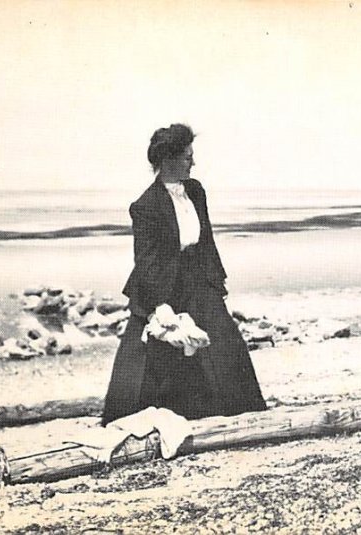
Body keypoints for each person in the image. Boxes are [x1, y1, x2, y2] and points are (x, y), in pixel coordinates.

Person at [101, 124, 267, 424]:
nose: (193, 162)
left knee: (224, 341)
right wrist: (158, 304)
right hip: (162, 281)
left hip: (198, 276)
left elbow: (207, 240)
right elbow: (146, 260)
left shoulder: (195, 190)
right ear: (168, 160)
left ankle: (241, 414)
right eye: (188, 156)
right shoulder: (145, 207)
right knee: (153, 354)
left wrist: (217, 280)